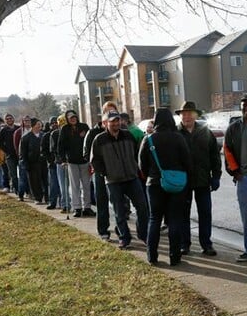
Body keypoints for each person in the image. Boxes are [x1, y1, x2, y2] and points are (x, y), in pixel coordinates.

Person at [139, 108, 192, 265]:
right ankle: (174, 257)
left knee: (154, 219)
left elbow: (142, 165)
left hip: (154, 183)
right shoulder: (179, 138)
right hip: (176, 184)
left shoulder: (148, 139)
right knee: (175, 220)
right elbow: (188, 162)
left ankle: (152, 256)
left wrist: (151, 175)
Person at [91, 111, 148, 249]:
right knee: (119, 211)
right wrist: (106, 173)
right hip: (113, 181)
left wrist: (135, 167)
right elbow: (95, 161)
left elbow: (136, 153)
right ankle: (124, 237)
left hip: (131, 178)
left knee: (142, 207)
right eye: (112, 121)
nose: (116, 123)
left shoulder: (128, 135)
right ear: (105, 123)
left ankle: (143, 233)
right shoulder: (99, 140)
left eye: (118, 121)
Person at [178, 101, 222, 256]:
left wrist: (216, 176)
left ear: (196, 115)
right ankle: (185, 244)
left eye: (190, 113)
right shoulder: (176, 133)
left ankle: (206, 244)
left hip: (203, 180)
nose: (186, 116)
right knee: (183, 213)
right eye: (184, 113)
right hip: (183, 181)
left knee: (205, 213)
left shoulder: (205, 132)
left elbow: (215, 156)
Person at [224, 92, 247, 262]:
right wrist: (234, 171)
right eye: (244, 105)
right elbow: (227, 151)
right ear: (240, 107)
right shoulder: (234, 128)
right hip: (244, 178)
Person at [84, 102, 116, 241]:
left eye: (113, 111)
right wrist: (98, 166)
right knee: (102, 201)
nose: (111, 115)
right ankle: (103, 229)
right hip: (100, 172)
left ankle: (120, 229)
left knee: (118, 202)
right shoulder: (93, 132)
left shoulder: (120, 130)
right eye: (108, 111)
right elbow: (86, 153)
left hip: (117, 172)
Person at [58, 110, 95, 218]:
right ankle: (77, 208)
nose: (73, 119)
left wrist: (90, 158)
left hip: (84, 161)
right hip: (72, 161)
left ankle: (87, 207)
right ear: (67, 119)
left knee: (86, 185)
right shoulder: (65, 129)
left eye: (74, 117)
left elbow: (90, 141)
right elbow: (61, 146)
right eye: (70, 118)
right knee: (75, 186)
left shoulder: (84, 126)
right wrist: (63, 159)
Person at [19, 118, 45, 204]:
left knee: (44, 180)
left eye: (40, 124)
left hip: (43, 162)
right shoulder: (26, 138)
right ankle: (37, 198)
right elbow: (23, 152)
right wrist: (25, 163)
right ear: (33, 126)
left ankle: (46, 197)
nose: (39, 126)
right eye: (38, 124)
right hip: (32, 163)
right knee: (34, 181)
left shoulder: (43, 135)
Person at [52, 114, 71, 213]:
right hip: (61, 162)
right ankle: (65, 204)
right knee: (63, 185)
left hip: (71, 161)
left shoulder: (70, 132)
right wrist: (62, 159)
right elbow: (54, 149)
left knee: (72, 185)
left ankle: (73, 203)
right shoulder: (55, 134)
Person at [0, 113, 19, 193]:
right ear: (5, 121)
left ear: (13, 119)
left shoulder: (18, 128)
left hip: (19, 154)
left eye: (10, 118)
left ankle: (25, 190)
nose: (9, 120)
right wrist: (6, 150)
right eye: (7, 119)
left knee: (23, 174)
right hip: (10, 156)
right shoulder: (3, 130)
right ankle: (17, 190)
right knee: (13, 175)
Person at [41, 117, 60, 209]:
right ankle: (52, 202)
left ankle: (63, 202)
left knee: (63, 184)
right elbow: (43, 151)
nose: (54, 124)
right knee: (53, 184)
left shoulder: (61, 133)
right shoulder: (46, 136)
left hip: (61, 162)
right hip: (52, 164)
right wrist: (49, 160)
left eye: (56, 122)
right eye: (52, 123)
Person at [13, 115, 31, 201]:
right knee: (22, 177)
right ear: (22, 121)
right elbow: (16, 146)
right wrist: (20, 157)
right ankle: (21, 194)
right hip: (22, 158)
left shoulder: (33, 130)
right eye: (25, 121)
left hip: (32, 158)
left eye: (29, 120)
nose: (27, 122)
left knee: (31, 177)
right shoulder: (18, 132)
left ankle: (30, 193)